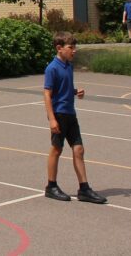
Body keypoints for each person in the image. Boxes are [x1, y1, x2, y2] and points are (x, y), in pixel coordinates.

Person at [43, 31, 107, 204]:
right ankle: (51, 186)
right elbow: (48, 94)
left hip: (71, 113)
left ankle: (84, 189)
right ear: (59, 48)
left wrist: (74, 91)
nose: (74, 51)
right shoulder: (52, 68)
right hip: (59, 114)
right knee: (56, 149)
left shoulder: (68, 66)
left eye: (74, 47)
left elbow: (64, 89)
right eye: (70, 47)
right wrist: (52, 119)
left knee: (78, 149)